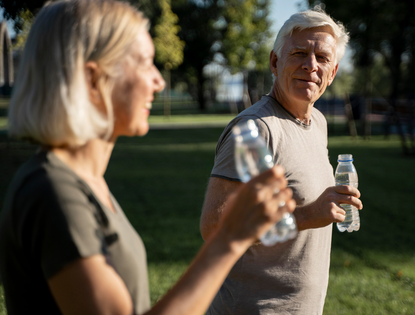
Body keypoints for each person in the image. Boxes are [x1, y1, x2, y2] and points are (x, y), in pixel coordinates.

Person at [0, 1, 296, 314]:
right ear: (92, 79)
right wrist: (229, 239)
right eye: (144, 63)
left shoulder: (83, 182)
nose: (159, 81)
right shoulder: (52, 193)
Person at [200, 7, 363, 315]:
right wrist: (306, 215)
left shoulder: (317, 122)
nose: (311, 66)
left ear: (334, 71)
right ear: (275, 62)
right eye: (299, 53)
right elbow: (214, 227)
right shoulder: (256, 130)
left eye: (323, 58)